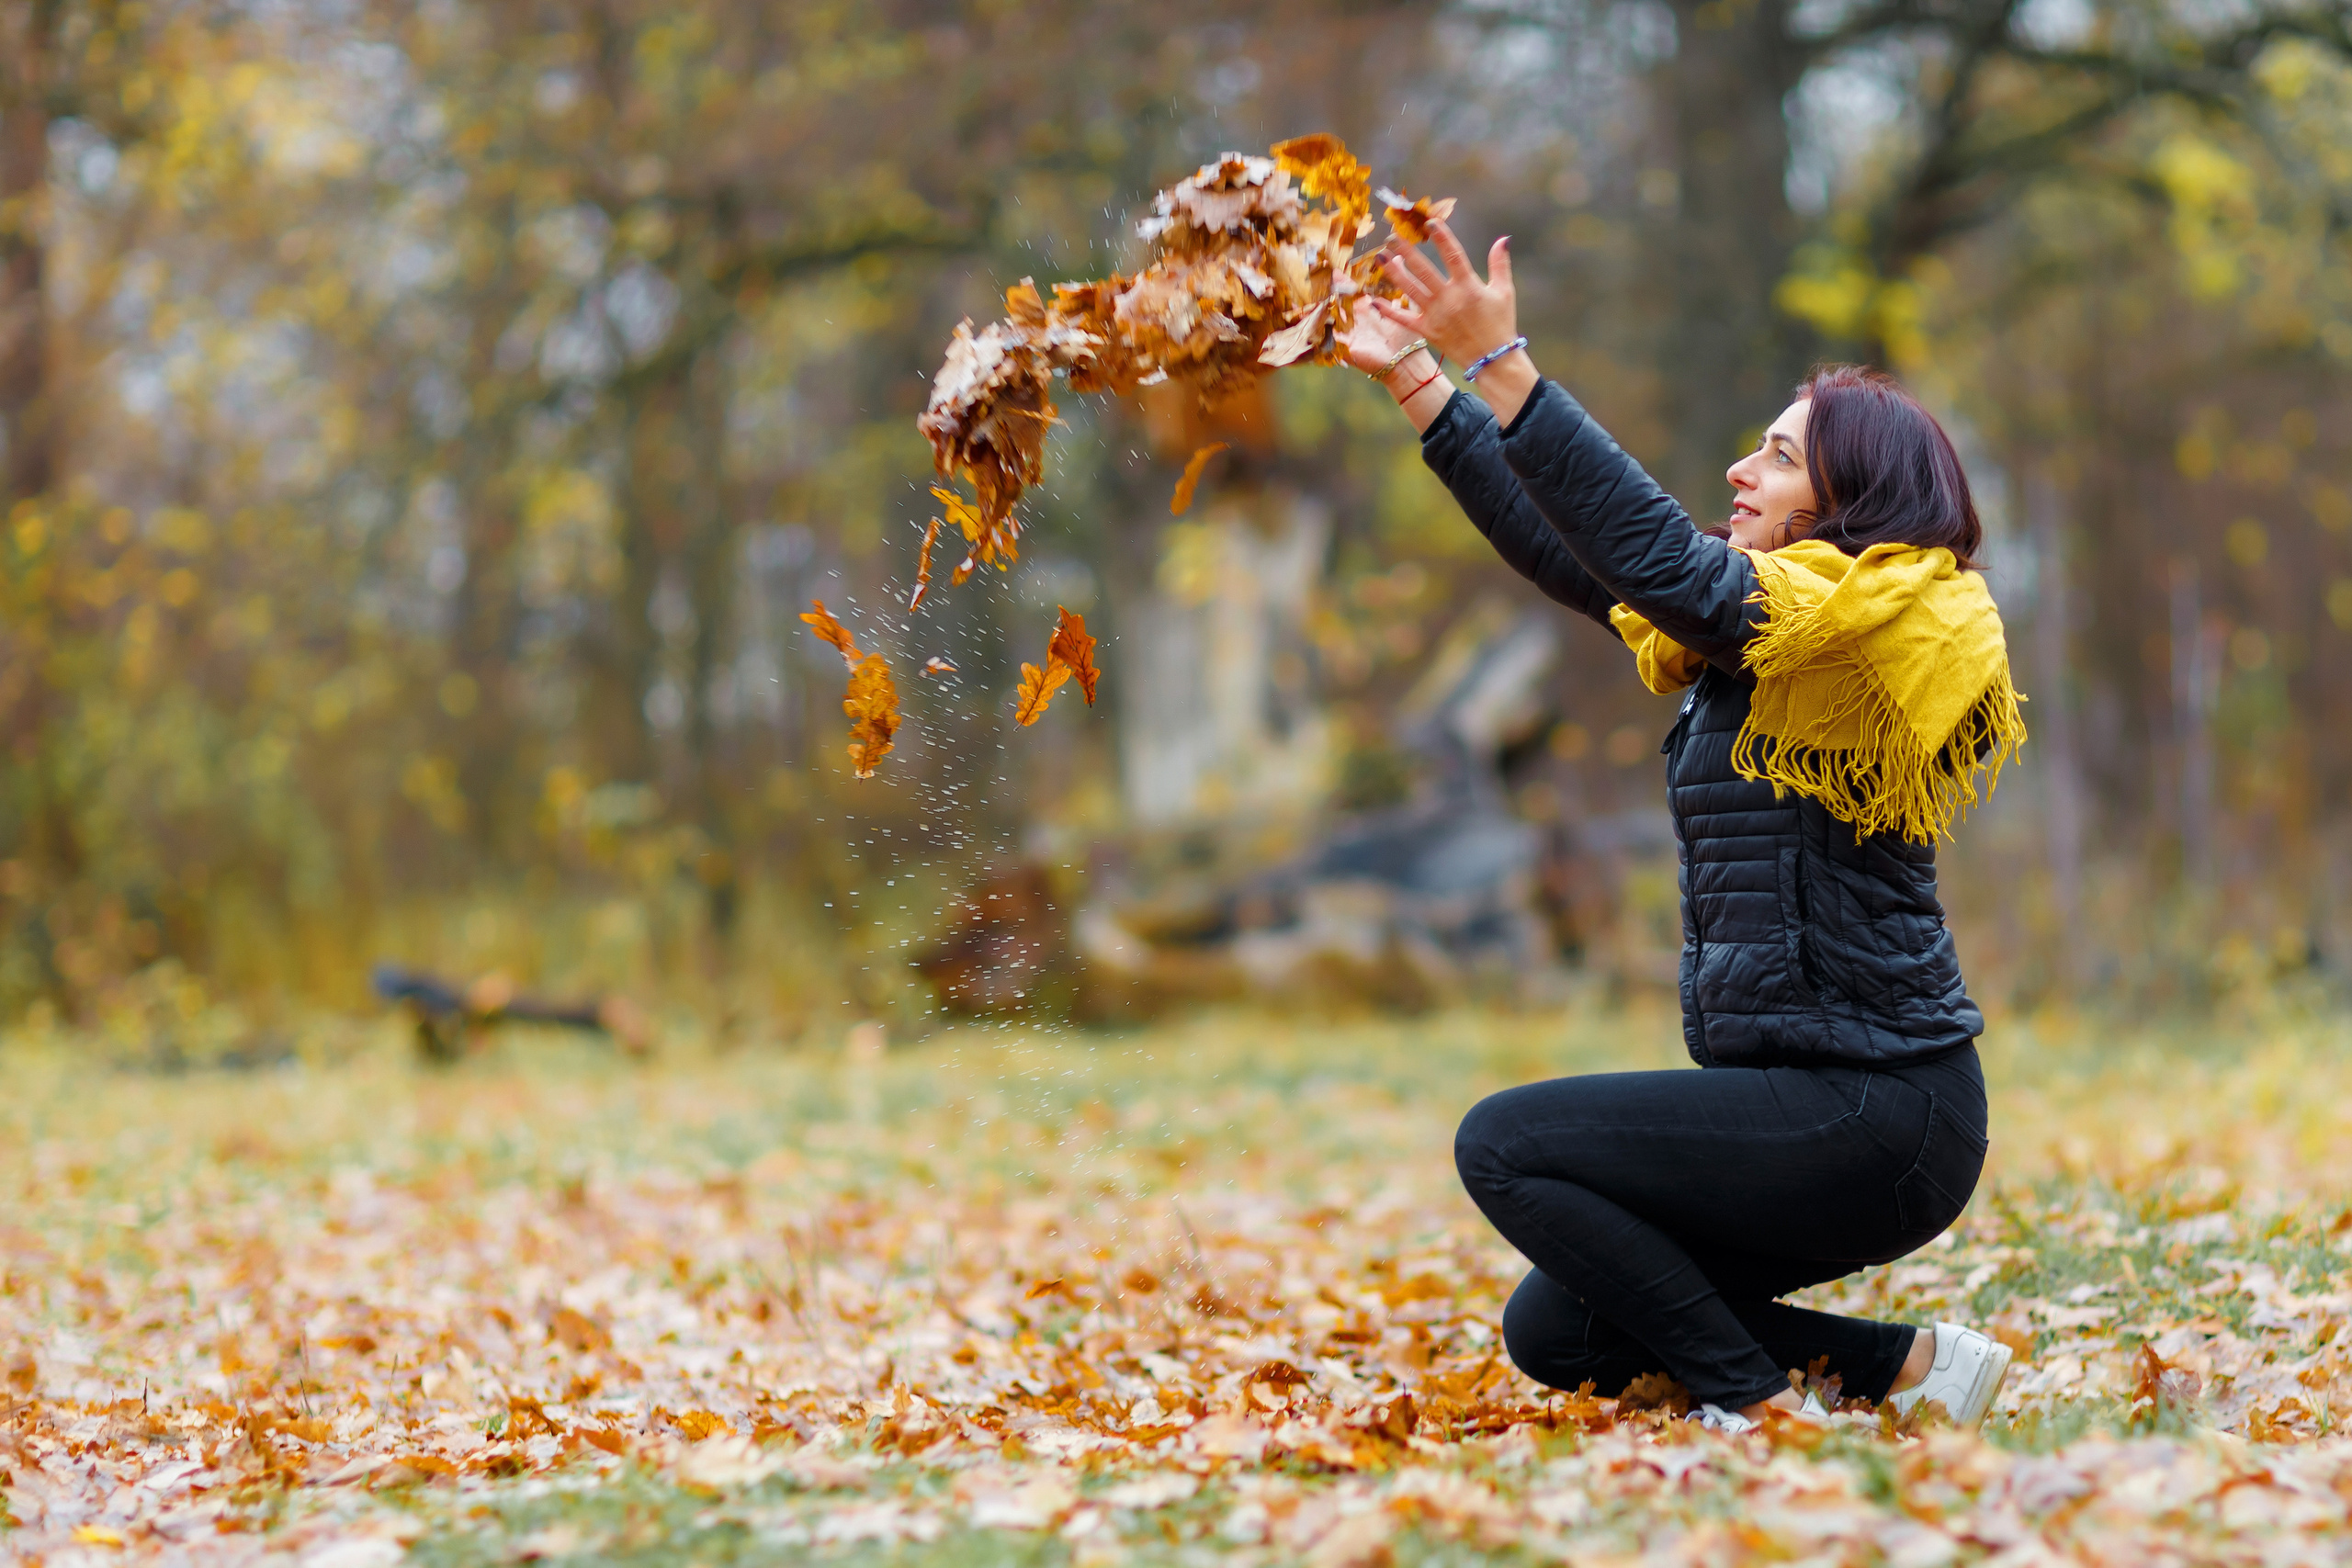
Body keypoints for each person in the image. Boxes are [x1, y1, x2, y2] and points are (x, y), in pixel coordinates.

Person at [1340, 221, 2025, 1432]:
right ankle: (1910, 1371)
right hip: (1807, 1097)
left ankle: (1754, 1407)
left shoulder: (1867, 632)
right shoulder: (1768, 641)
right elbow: (1590, 559)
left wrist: (1510, 365)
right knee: (1558, 1328)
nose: (1739, 473)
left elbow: (1666, 568)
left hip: (1882, 1108)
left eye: (1776, 457)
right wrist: (1419, 382)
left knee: (1502, 1143)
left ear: (1849, 498)